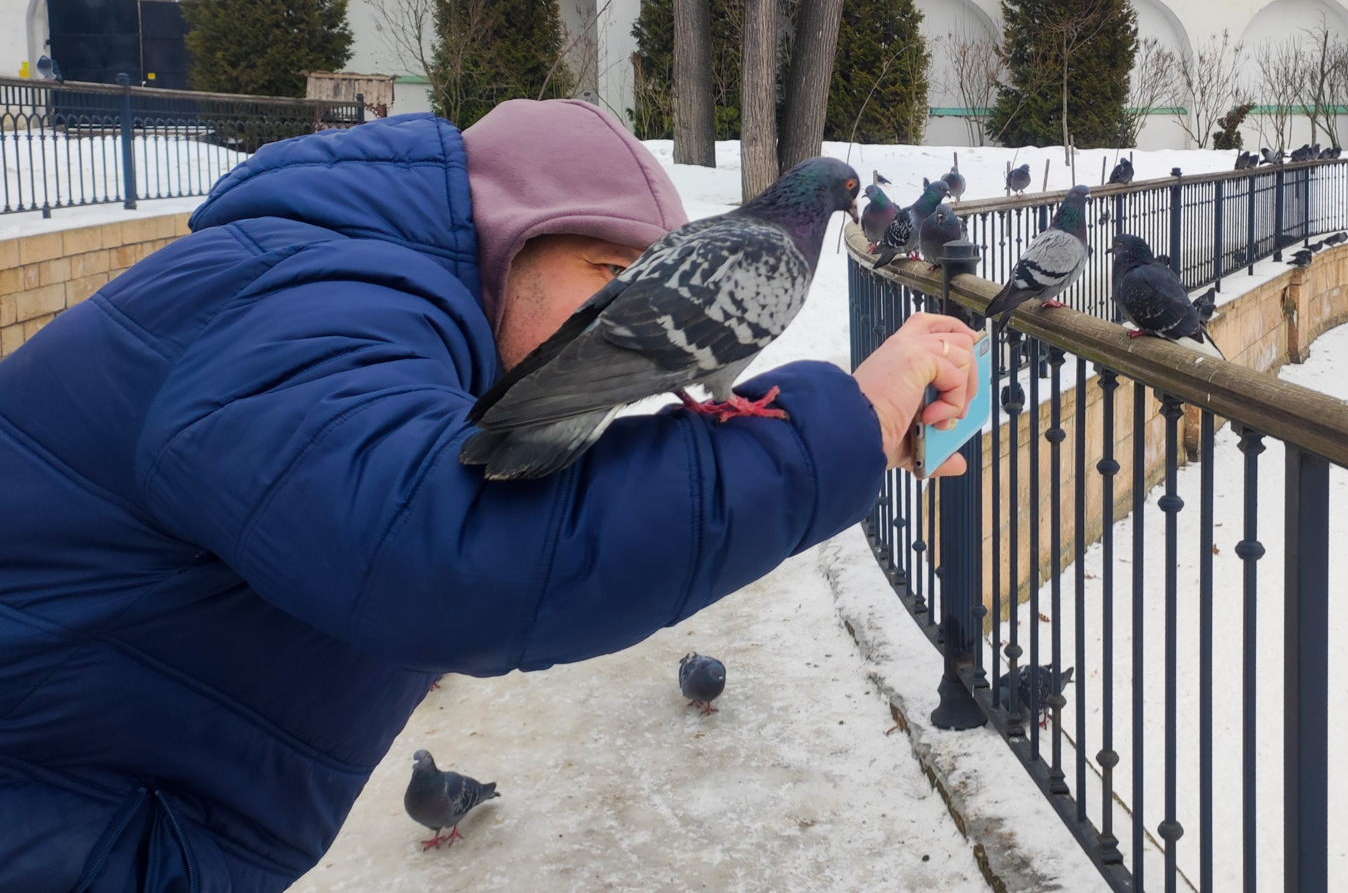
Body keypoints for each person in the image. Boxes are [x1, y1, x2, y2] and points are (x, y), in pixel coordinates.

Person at [0, 99, 979, 891]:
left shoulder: (367, 306)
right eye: (608, 274)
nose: (630, 308)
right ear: (515, 240)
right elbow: (459, 559)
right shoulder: (313, 307)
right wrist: (838, 428)